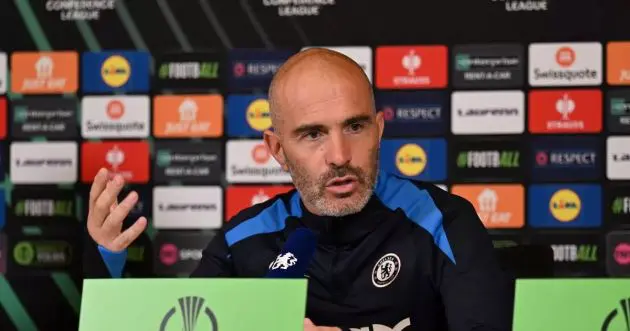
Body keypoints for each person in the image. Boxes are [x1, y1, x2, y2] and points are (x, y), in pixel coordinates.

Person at [84, 48, 513, 331]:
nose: (340, 155)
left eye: (356, 126)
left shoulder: (442, 221)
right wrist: (108, 257)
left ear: (379, 130)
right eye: (313, 135)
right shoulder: (244, 240)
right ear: (277, 149)